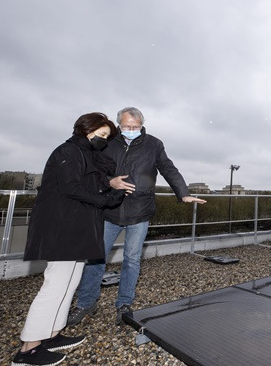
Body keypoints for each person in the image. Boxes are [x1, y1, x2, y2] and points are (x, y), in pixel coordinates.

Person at [68, 107, 206, 326]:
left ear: (142, 125)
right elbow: (93, 169)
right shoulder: (108, 142)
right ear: (118, 125)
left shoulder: (154, 144)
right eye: (126, 126)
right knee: (95, 258)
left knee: (132, 260)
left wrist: (184, 193)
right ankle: (86, 303)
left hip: (140, 211)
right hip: (109, 209)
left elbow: (168, 168)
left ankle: (124, 304)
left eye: (135, 126)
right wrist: (109, 182)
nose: (131, 130)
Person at [12, 113, 124, 366]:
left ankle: (50, 334)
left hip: (75, 226)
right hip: (61, 227)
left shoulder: (85, 154)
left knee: (69, 283)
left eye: (107, 137)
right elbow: (71, 187)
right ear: (86, 129)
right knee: (55, 285)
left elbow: (91, 183)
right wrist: (106, 199)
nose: (104, 140)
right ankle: (28, 349)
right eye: (102, 134)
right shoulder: (69, 150)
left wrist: (110, 186)